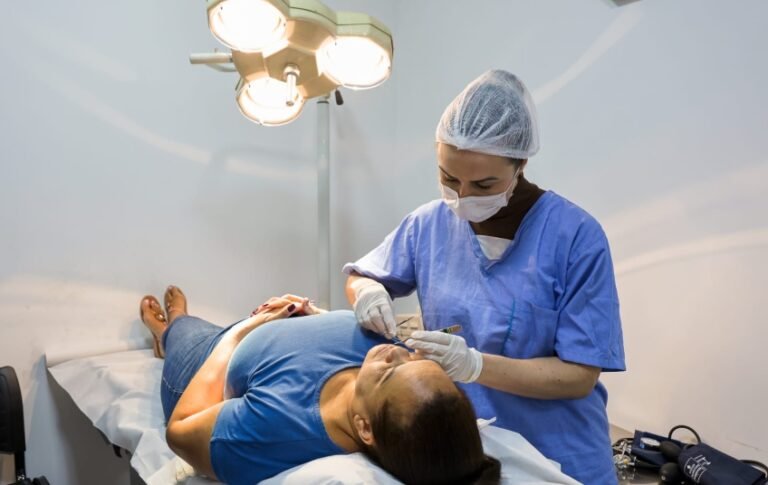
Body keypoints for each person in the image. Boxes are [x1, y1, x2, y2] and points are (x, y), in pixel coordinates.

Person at [343, 69, 626, 484]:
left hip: (560, 456)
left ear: (520, 164)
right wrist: (367, 290)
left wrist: (475, 365)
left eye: (484, 183)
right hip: (467, 453)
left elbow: (580, 375)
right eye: (448, 178)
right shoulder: (429, 224)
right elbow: (361, 276)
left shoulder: (575, 237)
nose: (462, 196)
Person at [139, 286, 501, 485]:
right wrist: (307, 313)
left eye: (390, 371)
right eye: (416, 359)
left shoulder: (277, 429)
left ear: (364, 427)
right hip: (269, 327)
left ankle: (168, 331)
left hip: (207, 360)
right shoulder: (396, 385)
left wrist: (243, 332)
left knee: (187, 330)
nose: (395, 352)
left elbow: (180, 430)